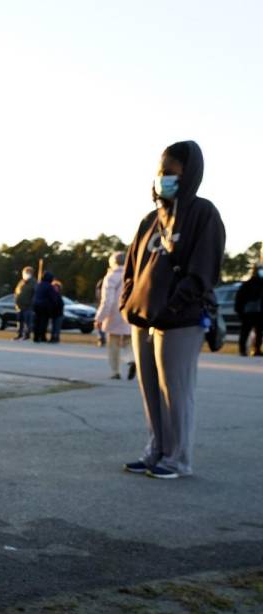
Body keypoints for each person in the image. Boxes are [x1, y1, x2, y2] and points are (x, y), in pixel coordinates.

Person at [120, 140, 225, 479]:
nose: (163, 177)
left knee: (175, 392)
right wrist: (127, 304)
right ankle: (155, 451)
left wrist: (173, 306)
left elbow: (203, 270)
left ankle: (177, 459)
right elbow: (131, 268)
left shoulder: (202, 213)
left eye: (171, 171)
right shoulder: (150, 220)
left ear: (188, 173)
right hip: (143, 318)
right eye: (160, 171)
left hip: (180, 320)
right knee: (150, 390)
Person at [93, 251, 134, 379]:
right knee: (128, 342)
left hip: (114, 315)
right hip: (130, 312)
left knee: (113, 344)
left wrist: (99, 318)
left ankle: (115, 371)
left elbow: (107, 301)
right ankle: (131, 360)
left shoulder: (111, 277)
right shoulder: (133, 275)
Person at [234, 253, 263, 356]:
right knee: (247, 331)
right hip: (250, 313)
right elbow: (240, 298)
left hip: (256, 313)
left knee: (257, 332)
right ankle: (245, 350)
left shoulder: (257, 284)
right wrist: (239, 310)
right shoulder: (248, 285)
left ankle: (255, 349)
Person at [32, 273, 60, 343]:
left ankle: (36, 337)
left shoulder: (38, 285)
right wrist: (55, 303)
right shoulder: (49, 286)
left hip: (36, 305)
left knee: (37, 321)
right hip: (45, 306)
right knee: (43, 322)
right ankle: (42, 337)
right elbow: (53, 297)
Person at [14, 267, 37, 340]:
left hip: (28, 306)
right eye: (25, 272)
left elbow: (35, 294)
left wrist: (32, 303)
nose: (26, 274)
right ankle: (19, 334)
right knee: (19, 321)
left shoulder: (34, 283)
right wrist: (16, 301)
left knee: (27, 322)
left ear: (31, 273)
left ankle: (27, 335)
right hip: (19, 306)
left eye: (28, 272)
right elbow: (16, 292)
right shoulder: (21, 282)